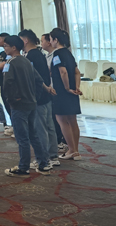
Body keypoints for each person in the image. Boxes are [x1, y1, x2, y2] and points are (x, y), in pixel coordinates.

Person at [1, 36, 53, 177]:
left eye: (6, 46)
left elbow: (7, 84)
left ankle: (23, 167)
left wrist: (11, 99)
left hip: (19, 105)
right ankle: (43, 164)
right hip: (31, 103)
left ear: (14, 48)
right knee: (33, 135)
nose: (4, 48)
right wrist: (35, 96)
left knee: (22, 137)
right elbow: (39, 80)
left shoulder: (10, 63)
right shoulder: (26, 61)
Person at [19, 29, 60, 168]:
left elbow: (35, 77)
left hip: (38, 95)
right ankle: (53, 155)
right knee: (49, 126)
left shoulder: (31, 56)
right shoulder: (39, 53)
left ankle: (43, 157)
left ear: (25, 41)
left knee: (40, 128)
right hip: (45, 94)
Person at [49, 28, 82, 161]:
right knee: (72, 121)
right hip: (72, 90)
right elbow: (76, 72)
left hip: (62, 91)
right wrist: (76, 87)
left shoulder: (57, 54)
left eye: (51, 39)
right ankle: (75, 150)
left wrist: (67, 88)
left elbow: (63, 72)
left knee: (62, 121)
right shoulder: (69, 53)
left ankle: (72, 150)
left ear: (56, 40)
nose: (50, 42)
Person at [42, 33, 68, 154]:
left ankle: (63, 141)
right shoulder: (47, 55)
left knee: (59, 117)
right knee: (53, 116)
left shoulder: (56, 54)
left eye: (42, 41)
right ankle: (59, 140)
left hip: (56, 88)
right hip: (51, 88)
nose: (41, 44)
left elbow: (60, 72)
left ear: (50, 42)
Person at [0, 32, 13, 136]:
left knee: (11, 105)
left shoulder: (10, 54)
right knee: (6, 104)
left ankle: (16, 127)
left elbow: (0, 66)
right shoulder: (2, 53)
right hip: (2, 82)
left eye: (0, 40)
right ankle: (12, 125)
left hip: (10, 83)